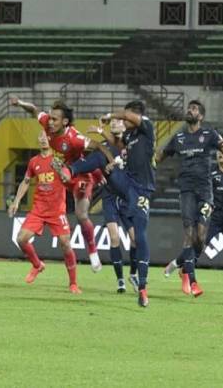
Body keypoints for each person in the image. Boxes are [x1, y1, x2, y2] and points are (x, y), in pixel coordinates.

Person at [53, 100, 155, 307]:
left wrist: (110, 116)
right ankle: (70, 170)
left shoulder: (147, 128)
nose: (121, 120)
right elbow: (117, 146)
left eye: (125, 116)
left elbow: (129, 118)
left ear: (133, 116)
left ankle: (142, 286)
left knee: (140, 237)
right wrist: (103, 134)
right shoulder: (129, 136)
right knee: (100, 156)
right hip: (126, 184)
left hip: (142, 191)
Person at [9, 96, 114, 273]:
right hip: (62, 174)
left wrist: (109, 165)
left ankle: (93, 252)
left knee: (81, 214)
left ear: (65, 122)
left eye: (54, 119)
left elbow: (98, 146)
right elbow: (34, 110)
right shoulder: (47, 125)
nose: (50, 122)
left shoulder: (74, 138)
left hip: (79, 175)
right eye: (49, 118)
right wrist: (20, 104)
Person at [158, 100, 223, 297]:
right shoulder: (179, 137)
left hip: (204, 190)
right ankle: (192, 281)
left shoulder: (209, 134)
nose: (189, 111)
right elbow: (160, 157)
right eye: (189, 108)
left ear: (200, 116)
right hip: (186, 190)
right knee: (190, 235)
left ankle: (180, 265)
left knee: (201, 237)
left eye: (193, 109)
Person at [166, 150, 223, 295]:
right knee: (197, 250)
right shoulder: (212, 175)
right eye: (217, 152)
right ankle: (183, 270)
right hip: (212, 220)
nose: (219, 154)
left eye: (222, 152)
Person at [7, 132, 81, 294]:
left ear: (51, 140)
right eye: (39, 136)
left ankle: (73, 283)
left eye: (45, 136)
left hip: (57, 210)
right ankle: (37, 265)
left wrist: (60, 170)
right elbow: (26, 182)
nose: (42, 139)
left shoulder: (59, 159)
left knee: (65, 243)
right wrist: (16, 201)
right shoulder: (34, 162)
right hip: (38, 209)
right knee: (21, 239)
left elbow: (68, 180)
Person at [87, 118, 137, 293]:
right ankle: (120, 281)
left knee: (135, 239)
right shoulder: (103, 145)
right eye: (113, 121)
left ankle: (133, 274)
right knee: (114, 238)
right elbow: (94, 164)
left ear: (125, 126)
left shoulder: (131, 144)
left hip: (126, 196)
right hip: (109, 196)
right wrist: (99, 173)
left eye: (118, 121)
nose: (115, 123)